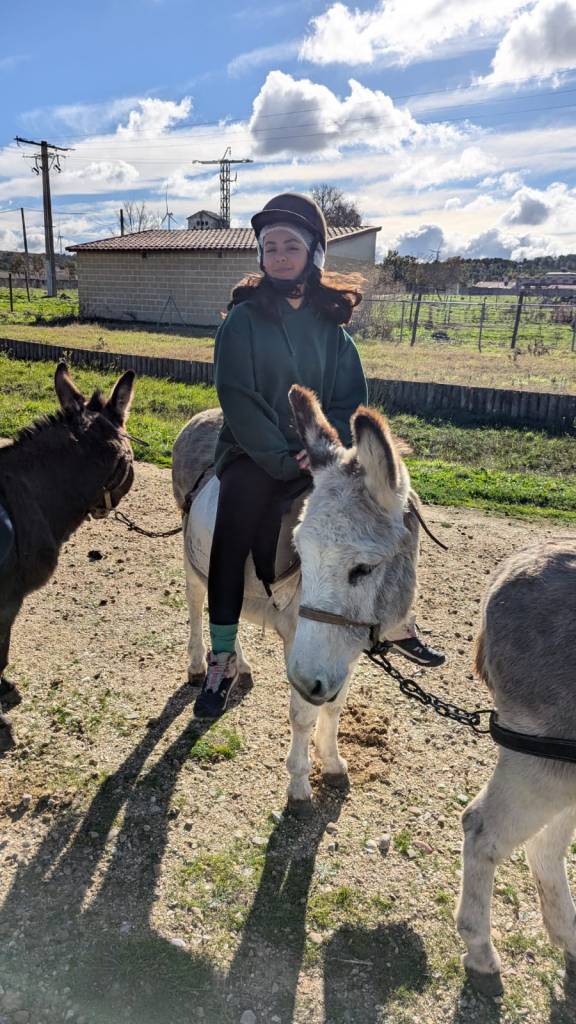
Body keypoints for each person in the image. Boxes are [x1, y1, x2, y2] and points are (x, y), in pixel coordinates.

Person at [194, 193, 444, 719]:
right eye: (270, 247)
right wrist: (285, 459)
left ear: (314, 253)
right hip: (253, 452)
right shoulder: (241, 323)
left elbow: (349, 400)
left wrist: (328, 452)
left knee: (397, 508)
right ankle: (222, 655)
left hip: (322, 452)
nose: (280, 255)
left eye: (291, 245)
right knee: (232, 527)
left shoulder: (333, 331)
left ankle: (396, 619)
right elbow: (238, 397)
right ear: (260, 255)